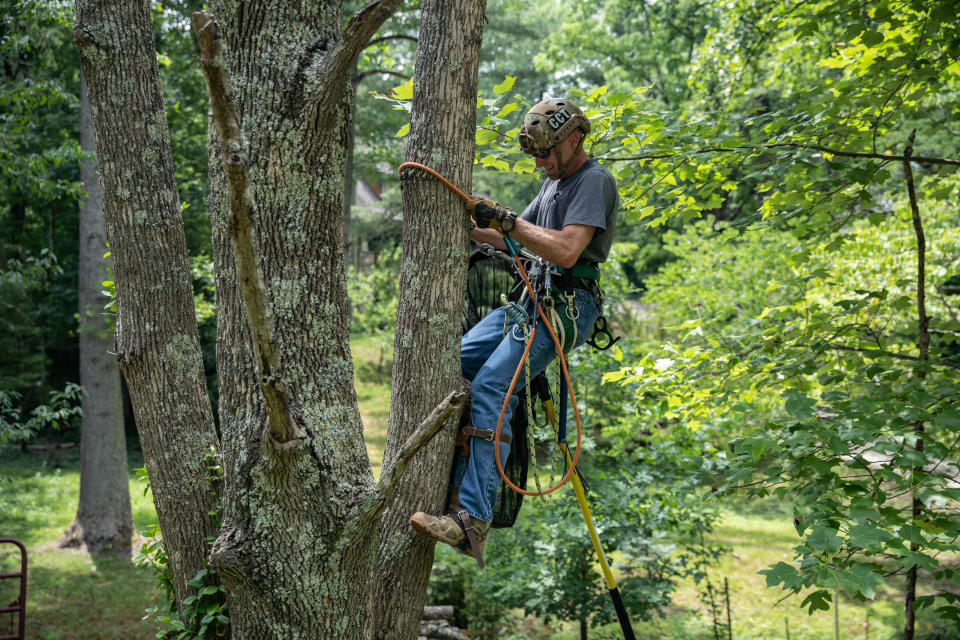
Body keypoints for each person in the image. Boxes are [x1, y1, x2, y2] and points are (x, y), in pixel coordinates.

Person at [409, 97, 619, 567]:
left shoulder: (593, 181)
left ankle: (471, 521)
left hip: (565, 305)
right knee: (457, 362)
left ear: (574, 139)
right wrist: (464, 224)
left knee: (493, 385)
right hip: (531, 301)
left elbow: (565, 250)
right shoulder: (551, 185)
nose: (541, 162)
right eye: (536, 155)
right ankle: (457, 483)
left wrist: (509, 221)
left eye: (547, 153)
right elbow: (511, 237)